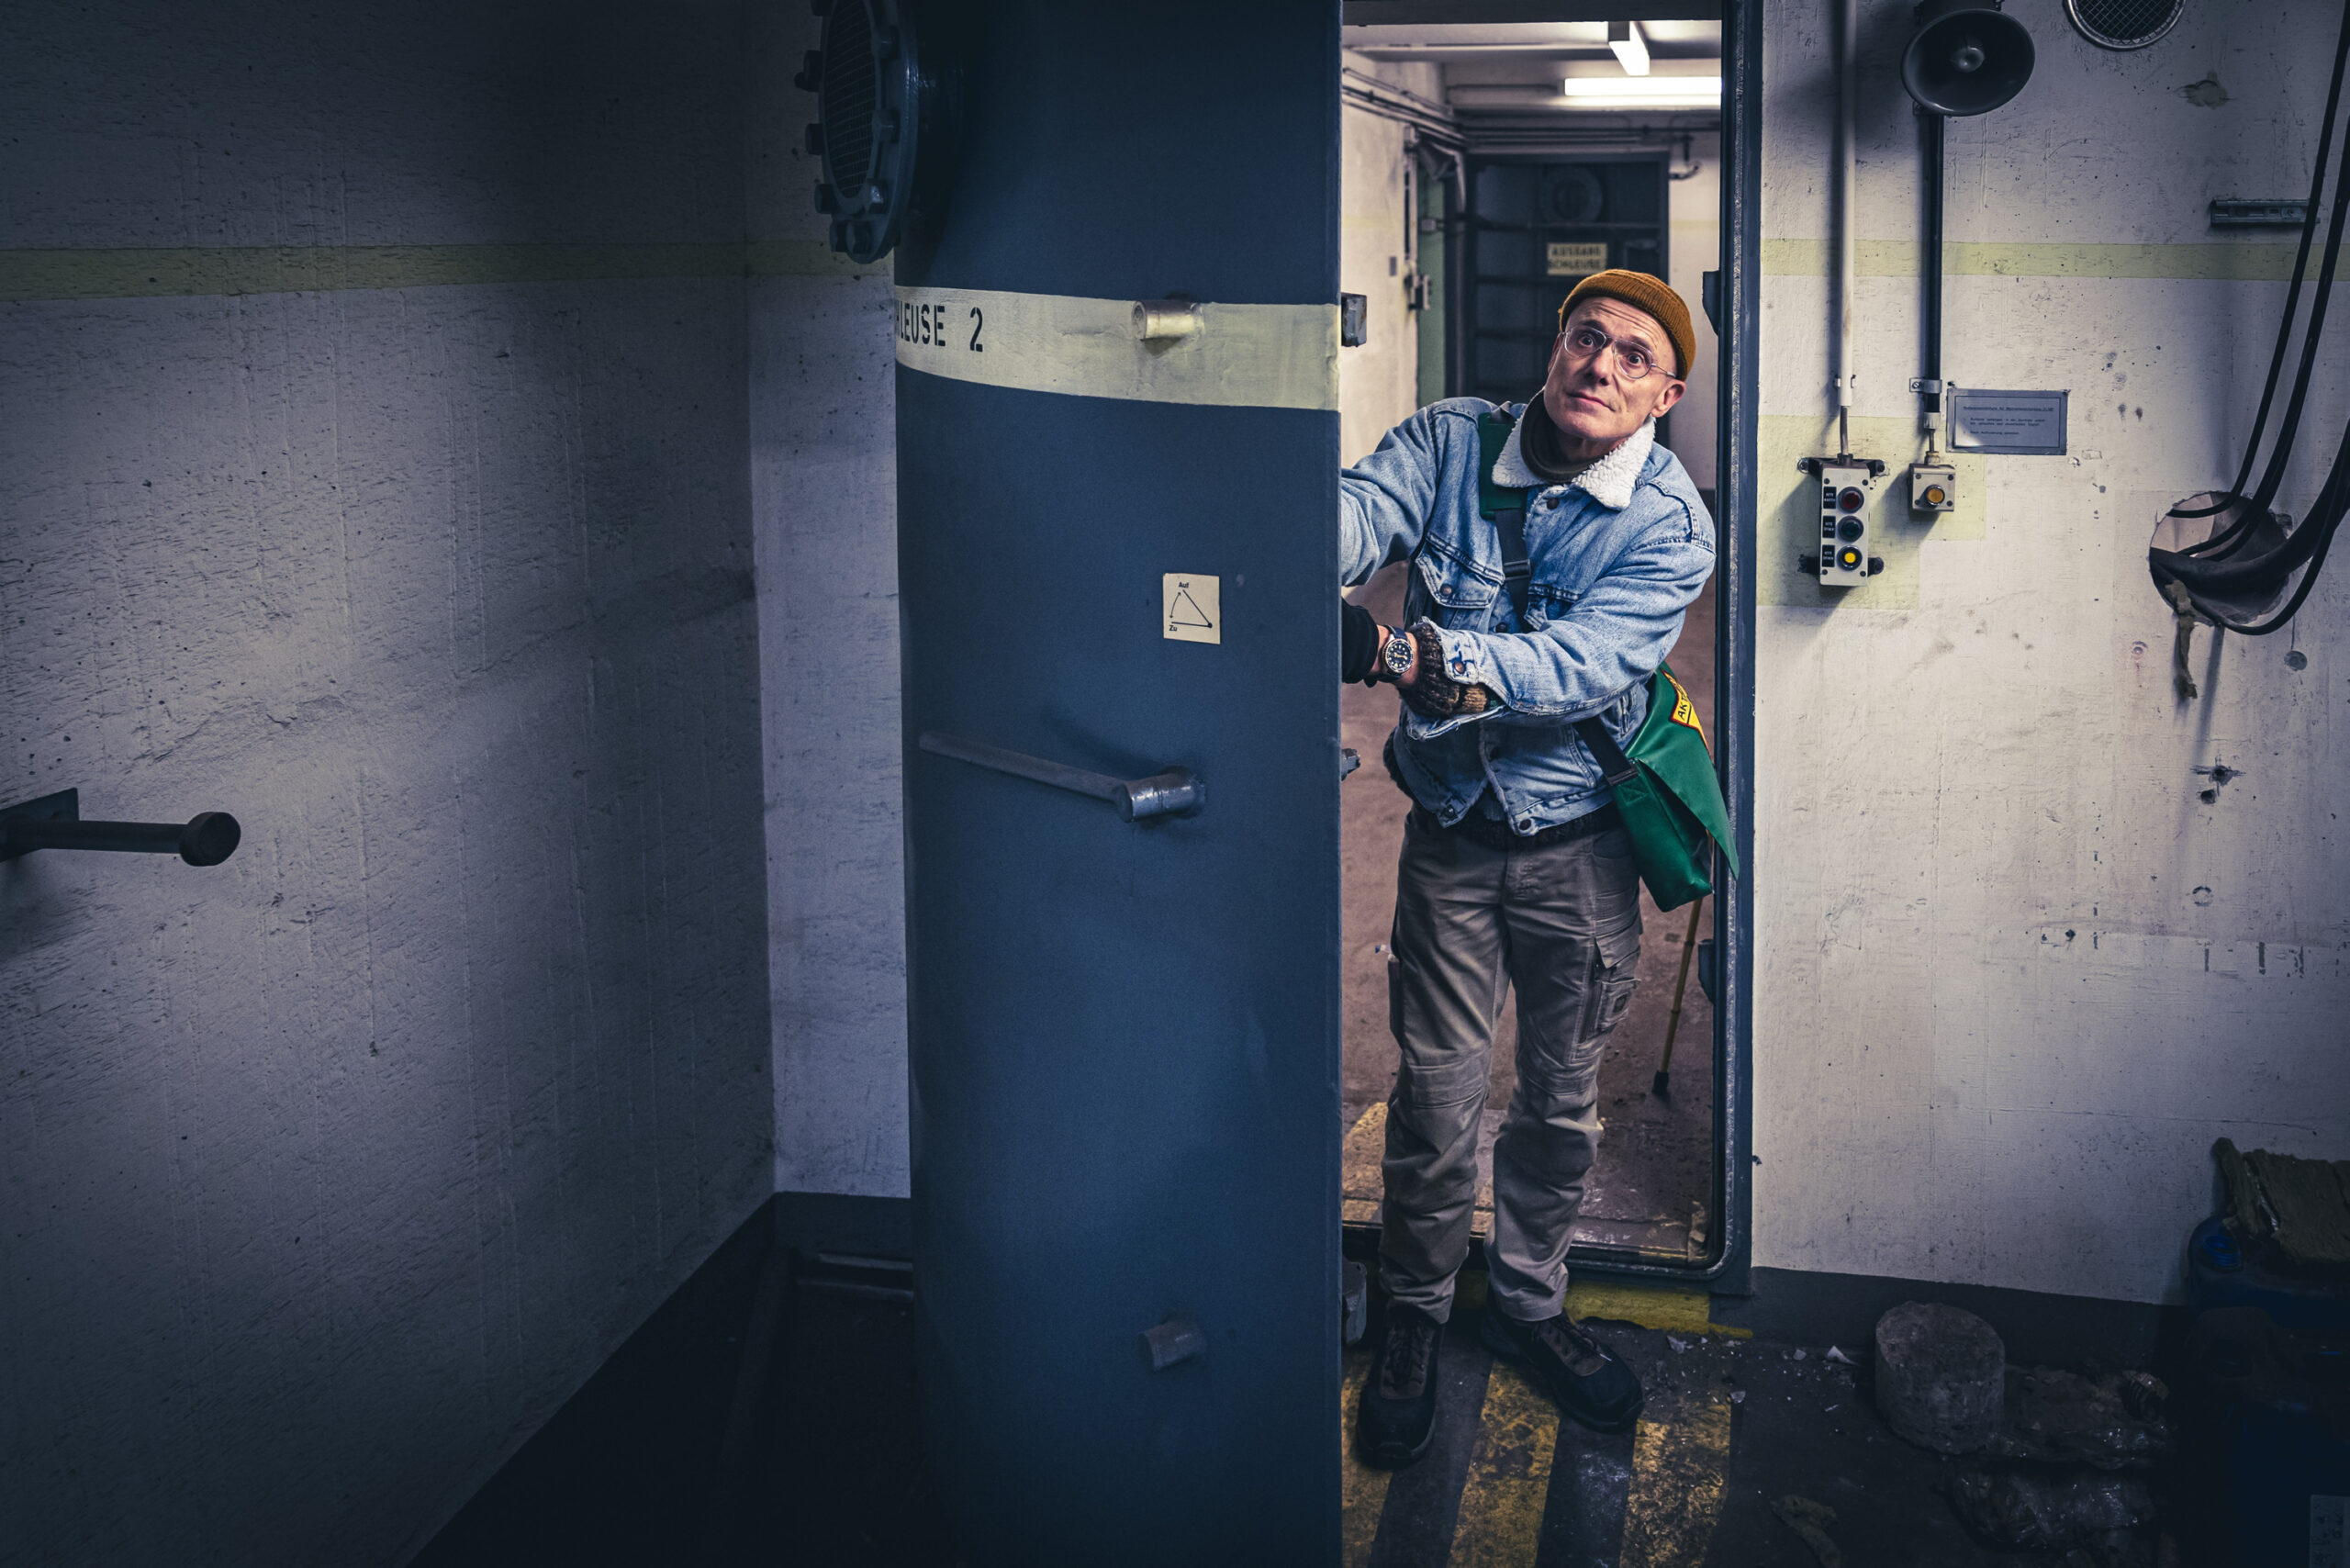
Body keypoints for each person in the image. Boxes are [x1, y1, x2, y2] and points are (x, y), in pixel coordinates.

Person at [1337, 270, 1716, 1466]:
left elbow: (1577, 667)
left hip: (1579, 853)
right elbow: (1352, 517)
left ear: (1667, 393)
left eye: (1631, 357)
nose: (1598, 366)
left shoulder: (1670, 525)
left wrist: (1397, 650)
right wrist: (1264, 510)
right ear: (1554, 348)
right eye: (1584, 338)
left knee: (1557, 1106)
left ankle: (1531, 1306)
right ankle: (1415, 1306)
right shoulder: (1453, 443)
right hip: (1451, 837)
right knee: (1437, 1098)